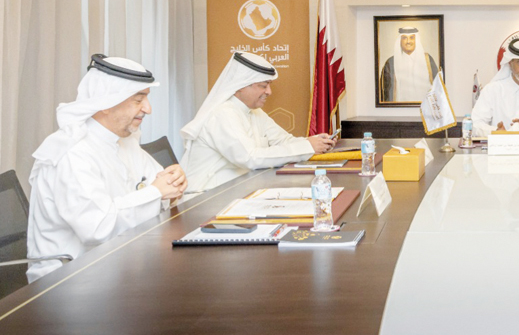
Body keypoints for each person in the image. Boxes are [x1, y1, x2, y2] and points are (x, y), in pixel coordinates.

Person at [26, 55, 188, 283]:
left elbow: (160, 188)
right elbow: (98, 228)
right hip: (69, 284)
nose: (148, 109)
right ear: (105, 104)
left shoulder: (124, 140)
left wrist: (173, 184)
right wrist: (158, 192)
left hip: (119, 266)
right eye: (138, 100)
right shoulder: (72, 153)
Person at [180, 52, 336, 192]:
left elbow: (283, 140)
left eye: (269, 85)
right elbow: (250, 158)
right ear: (240, 86)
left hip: (239, 189)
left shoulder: (254, 112)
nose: (269, 92)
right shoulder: (223, 114)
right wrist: (307, 147)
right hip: (206, 198)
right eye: (263, 86)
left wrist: (316, 143)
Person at [379, 26, 439, 102]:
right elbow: (385, 92)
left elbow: (438, 86)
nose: (408, 41)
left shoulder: (427, 60)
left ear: (416, 40)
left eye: (411, 38)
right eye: (404, 38)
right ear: (400, 41)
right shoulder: (390, 63)